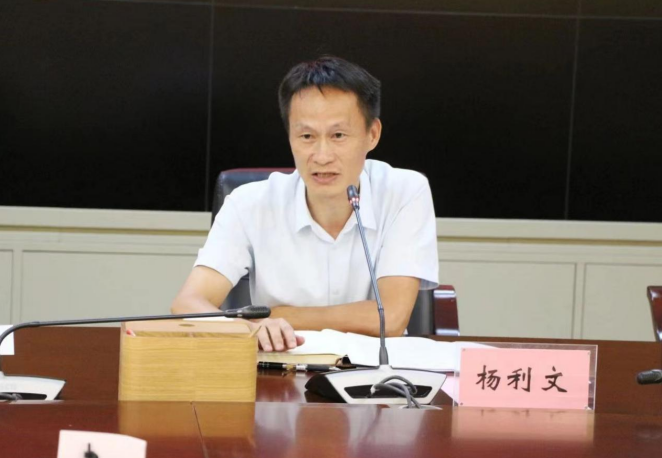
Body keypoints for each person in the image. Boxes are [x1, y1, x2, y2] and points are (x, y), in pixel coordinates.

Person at [171, 56, 438, 352]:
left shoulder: (404, 191)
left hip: (378, 371)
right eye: (307, 136)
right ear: (289, 135)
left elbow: (391, 318)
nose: (322, 156)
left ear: (372, 134)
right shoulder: (248, 204)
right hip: (279, 370)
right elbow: (187, 304)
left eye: (338, 135)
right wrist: (246, 328)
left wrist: (279, 315)